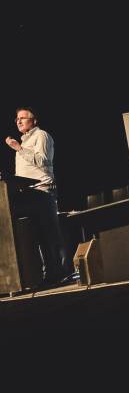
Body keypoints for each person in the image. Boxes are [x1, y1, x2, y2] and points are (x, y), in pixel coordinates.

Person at [5, 107, 70, 286]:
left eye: (22, 118)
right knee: (38, 236)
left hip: (42, 192)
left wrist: (19, 148)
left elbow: (44, 161)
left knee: (49, 235)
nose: (18, 121)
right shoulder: (25, 141)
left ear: (34, 121)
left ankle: (61, 273)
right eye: (17, 118)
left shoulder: (41, 135)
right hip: (30, 193)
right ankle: (47, 275)